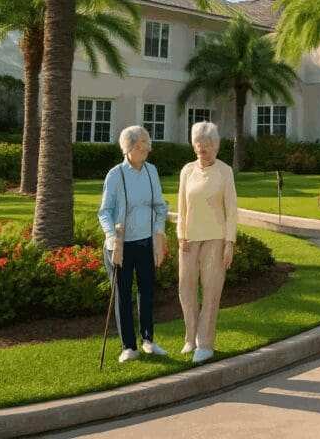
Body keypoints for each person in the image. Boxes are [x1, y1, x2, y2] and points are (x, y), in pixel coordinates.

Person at [97, 125, 170, 363]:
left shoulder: (151, 171)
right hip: (120, 246)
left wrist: (159, 232)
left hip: (145, 242)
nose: (147, 147)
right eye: (142, 144)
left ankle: (148, 340)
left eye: (147, 143)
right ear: (129, 147)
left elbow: (160, 206)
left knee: (147, 291)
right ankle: (128, 346)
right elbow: (105, 212)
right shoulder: (115, 175)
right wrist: (112, 237)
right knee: (123, 295)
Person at [177, 121, 238, 364]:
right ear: (194, 147)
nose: (204, 152)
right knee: (186, 288)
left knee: (211, 291)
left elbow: (231, 209)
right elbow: (181, 206)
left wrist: (230, 242)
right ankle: (190, 338)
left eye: (208, 147)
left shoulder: (225, 171)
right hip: (189, 239)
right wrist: (180, 235)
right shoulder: (187, 171)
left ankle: (205, 343)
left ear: (217, 146)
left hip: (216, 237)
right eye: (199, 147)